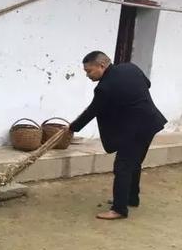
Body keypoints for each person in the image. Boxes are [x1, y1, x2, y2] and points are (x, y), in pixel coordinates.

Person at [69, 51, 167, 220]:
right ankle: (131, 198)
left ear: (102, 65)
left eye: (89, 71)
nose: (87, 75)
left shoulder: (104, 87)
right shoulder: (131, 68)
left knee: (122, 166)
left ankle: (119, 209)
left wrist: (72, 128)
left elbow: (92, 111)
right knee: (134, 163)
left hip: (135, 129)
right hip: (150, 122)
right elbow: (147, 84)